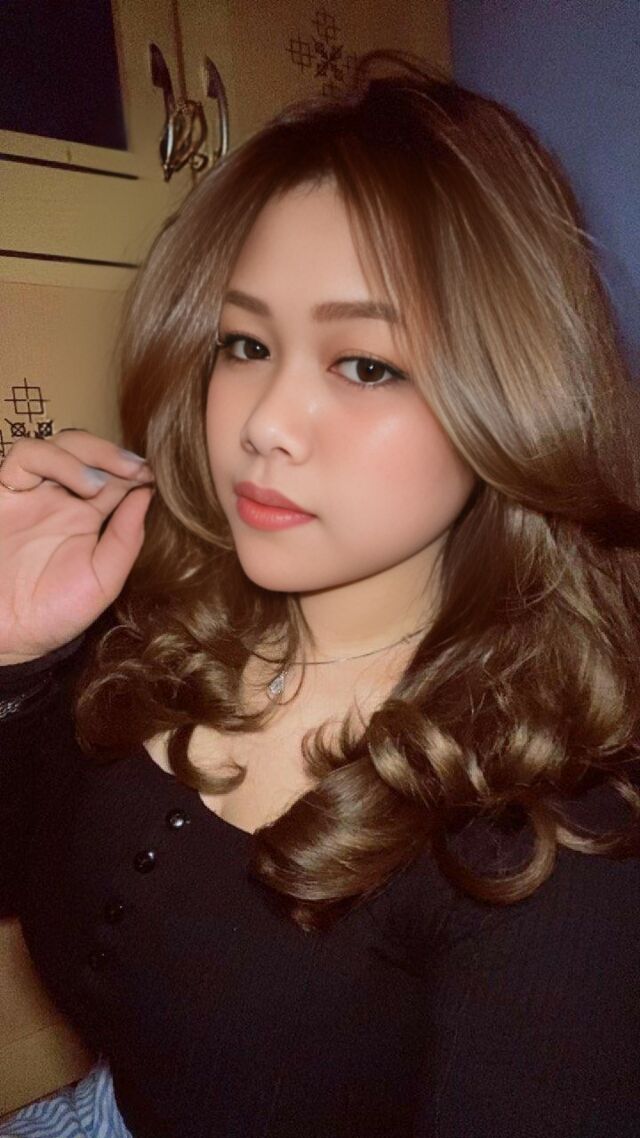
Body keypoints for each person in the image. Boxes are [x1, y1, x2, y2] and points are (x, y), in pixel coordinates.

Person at [0, 48, 639, 1138]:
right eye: (245, 344)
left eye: (365, 365)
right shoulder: (153, 625)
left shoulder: (544, 843)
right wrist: (14, 654)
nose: (262, 423)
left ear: (512, 400)